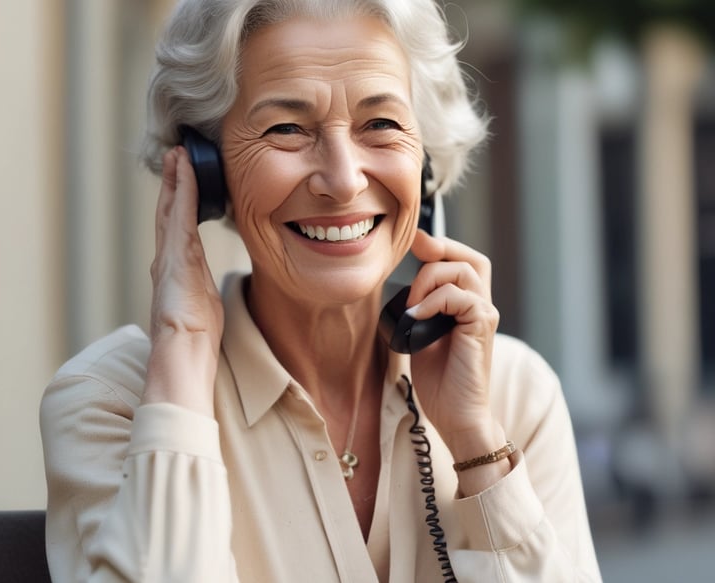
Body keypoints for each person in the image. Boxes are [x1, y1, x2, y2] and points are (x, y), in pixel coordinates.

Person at [40, 0, 602, 581]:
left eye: (380, 124)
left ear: (425, 161)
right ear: (207, 172)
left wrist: (476, 448)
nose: (343, 179)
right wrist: (181, 351)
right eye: (287, 128)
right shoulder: (112, 402)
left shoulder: (516, 394)